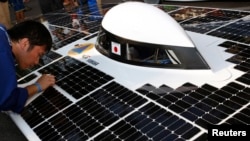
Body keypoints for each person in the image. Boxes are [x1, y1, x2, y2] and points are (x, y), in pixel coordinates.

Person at [0, 20, 56, 113]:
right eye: (39, 54)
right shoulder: (3, 53)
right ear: (25, 43)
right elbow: (7, 100)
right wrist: (37, 86)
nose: (37, 62)